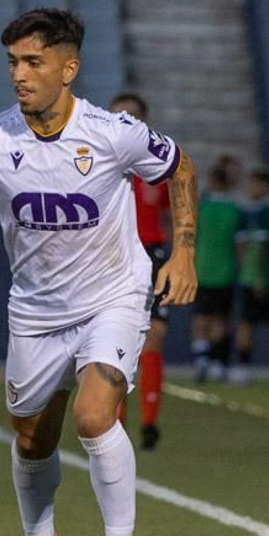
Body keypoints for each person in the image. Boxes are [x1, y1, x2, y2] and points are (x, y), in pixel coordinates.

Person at [0, 8, 197, 536]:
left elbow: (179, 168)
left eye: (33, 62)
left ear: (67, 69)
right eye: (14, 63)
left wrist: (184, 252)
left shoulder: (111, 132)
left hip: (113, 296)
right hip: (37, 310)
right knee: (30, 437)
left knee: (95, 416)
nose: (20, 75)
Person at [110, 92, 168, 448]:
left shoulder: (159, 162)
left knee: (154, 334)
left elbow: (174, 212)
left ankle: (149, 423)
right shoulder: (97, 159)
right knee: (116, 338)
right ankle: (115, 422)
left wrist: (182, 257)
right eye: (119, 115)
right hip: (113, 255)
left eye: (132, 115)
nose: (125, 120)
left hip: (152, 252)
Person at [231, 165, 269, 385]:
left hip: (260, 276)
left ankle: (244, 369)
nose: (251, 188)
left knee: (249, 322)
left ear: (266, 185)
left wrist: (256, 275)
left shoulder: (267, 209)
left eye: (255, 183)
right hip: (268, 274)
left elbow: (262, 244)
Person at [191, 159, 243, 382]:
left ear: (213, 182)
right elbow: (240, 244)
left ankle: (202, 359)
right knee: (220, 319)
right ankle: (216, 362)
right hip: (225, 272)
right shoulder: (234, 210)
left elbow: (190, 238)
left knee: (201, 318)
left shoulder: (201, 208)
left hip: (202, 270)